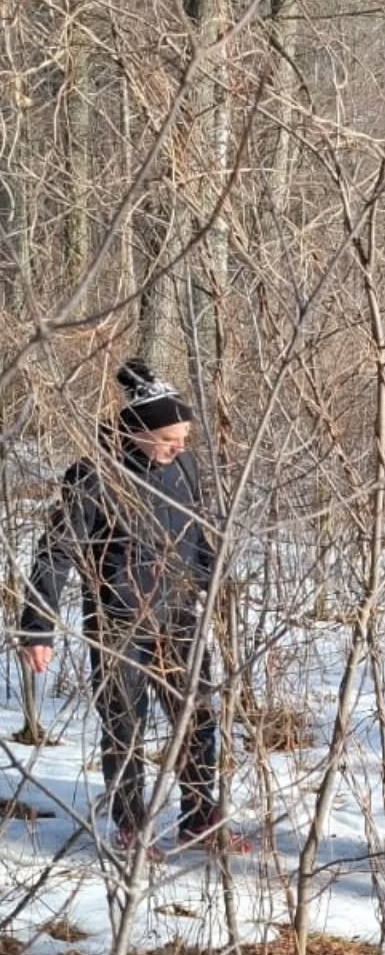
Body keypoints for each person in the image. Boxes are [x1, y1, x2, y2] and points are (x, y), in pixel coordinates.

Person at [17, 359, 247, 859]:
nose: (179, 447)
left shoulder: (185, 467)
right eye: (169, 438)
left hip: (180, 613)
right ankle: (131, 825)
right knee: (125, 724)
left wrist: (213, 585)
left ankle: (198, 815)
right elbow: (56, 551)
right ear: (138, 431)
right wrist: (37, 628)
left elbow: (196, 535)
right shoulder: (94, 475)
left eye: (185, 438)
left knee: (196, 714)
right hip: (118, 620)